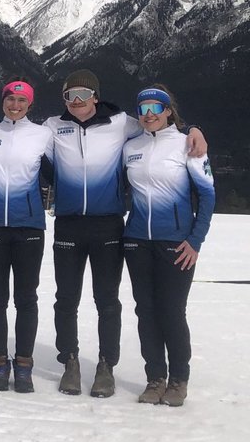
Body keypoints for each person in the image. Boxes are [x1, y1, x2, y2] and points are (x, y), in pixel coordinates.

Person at [42, 69, 207, 399]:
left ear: (96, 96)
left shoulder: (121, 122)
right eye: (70, 96)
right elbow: (19, 136)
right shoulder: (51, 127)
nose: (77, 102)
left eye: (83, 95)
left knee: (107, 301)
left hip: (108, 224)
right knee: (66, 298)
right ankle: (70, 362)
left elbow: (157, 126)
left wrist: (193, 130)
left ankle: (106, 366)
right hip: (69, 224)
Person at [123, 86, 214, 407]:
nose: (148, 113)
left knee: (172, 312)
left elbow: (207, 196)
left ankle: (178, 380)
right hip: (136, 241)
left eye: (155, 107)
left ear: (168, 111)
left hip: (176, 243)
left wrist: (195, 240)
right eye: (143, 107)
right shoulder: (130, 146)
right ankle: (155, 378)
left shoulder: (187, 144)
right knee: (145, 312)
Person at [0, 79, 53, 393]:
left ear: (30, 104)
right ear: (3, 101)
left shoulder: (42, 135)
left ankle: (23, 364)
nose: (15, 105)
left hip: (29, 226)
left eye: (22, 101)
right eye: (10, 99)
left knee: (26, 298)